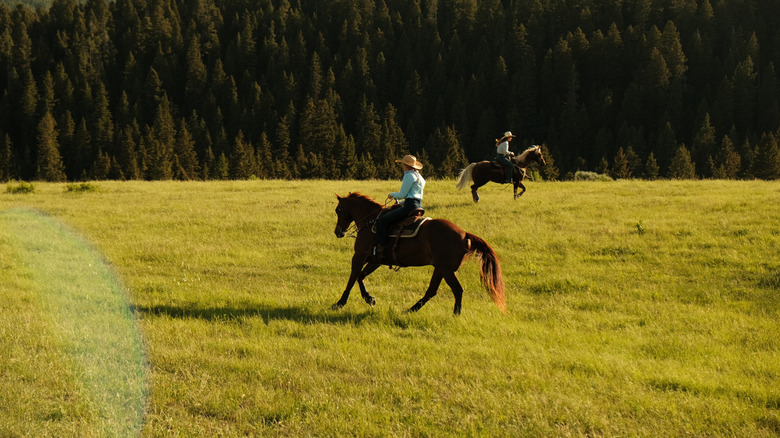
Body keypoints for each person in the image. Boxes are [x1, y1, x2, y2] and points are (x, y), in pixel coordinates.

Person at [373, 154, 426, 261]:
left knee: (383, 220)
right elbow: (413, 197)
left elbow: (403, 194)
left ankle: (380, 249)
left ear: (405, 165)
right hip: (417, 205)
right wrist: (401, 203)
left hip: (409, 207)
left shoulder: (409, 175)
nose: (402, 166)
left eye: (403, 164)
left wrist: (392, 194)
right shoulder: (420, 177)